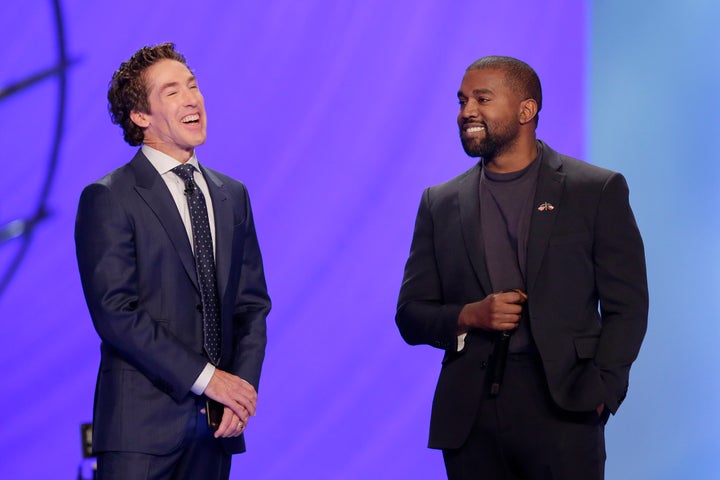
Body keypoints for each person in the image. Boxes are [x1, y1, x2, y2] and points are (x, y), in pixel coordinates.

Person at [395, 56, 648, 479]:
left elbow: (628, 306)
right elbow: (411, 314)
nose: (466, 112)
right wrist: (469, 315)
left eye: (482, 99)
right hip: (470, 417)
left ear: (525, 111)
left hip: (565, 406)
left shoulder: (595, 190)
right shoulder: (439, 203)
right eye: (462, 101)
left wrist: (603, 390)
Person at [75, 43, 271, 480]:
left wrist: (240, 389)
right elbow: (116, 314)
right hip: (140, 436)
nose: (192, 99)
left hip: (214, 432)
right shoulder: (109, 197)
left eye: (193, 86)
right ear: (140, 117)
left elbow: (252, 305)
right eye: (171, 92)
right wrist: (207, 378)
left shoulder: (231, 195)